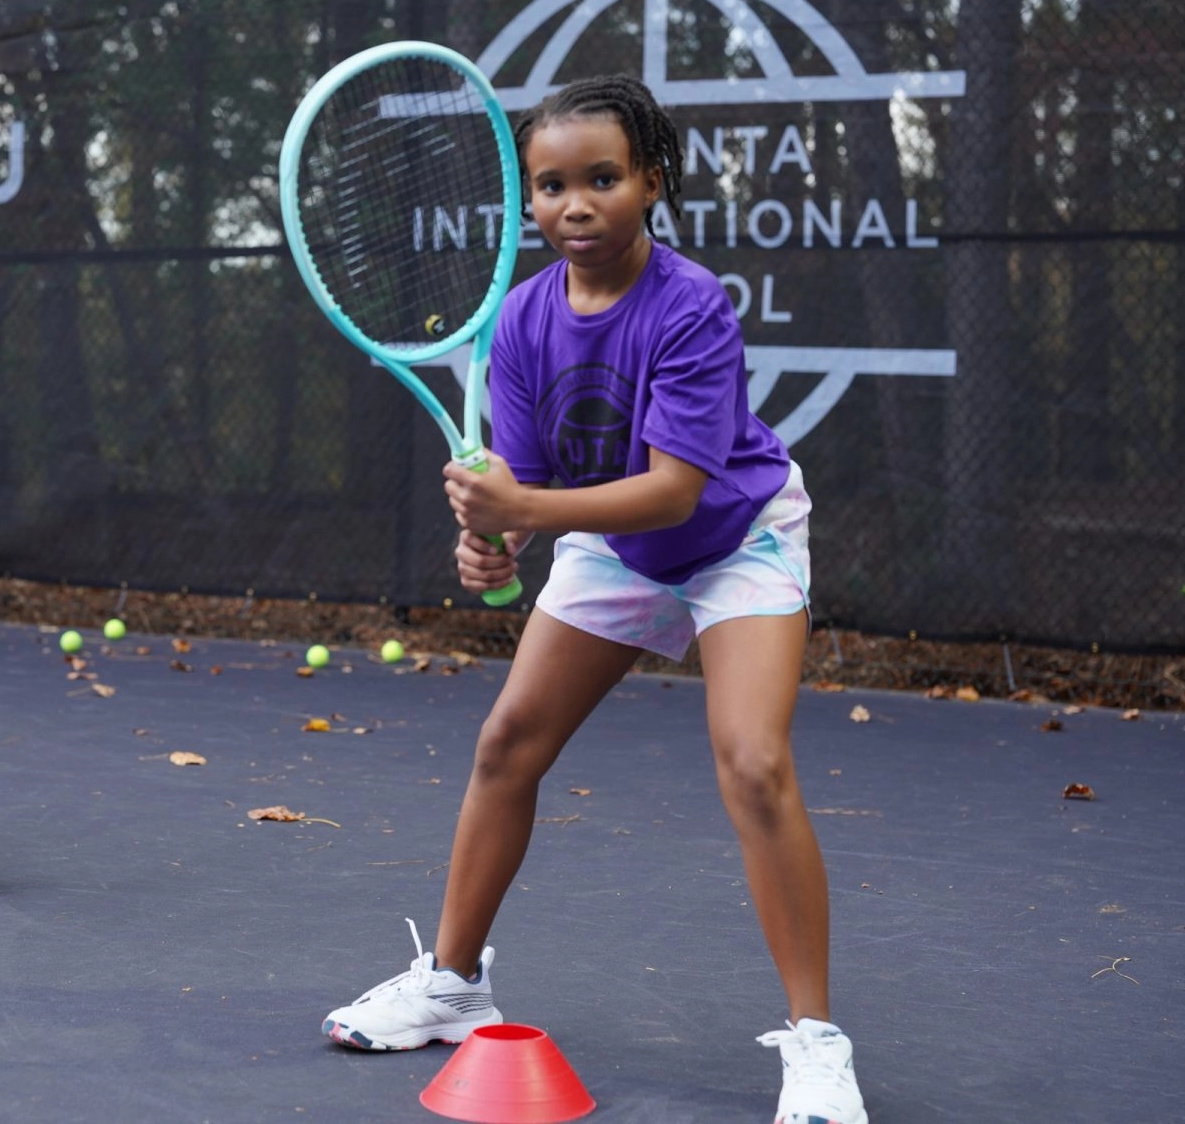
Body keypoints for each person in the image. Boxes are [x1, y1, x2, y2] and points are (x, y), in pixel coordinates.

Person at [320, 77, 865, 1123]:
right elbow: (525, 485)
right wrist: (494, 542)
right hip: (614, 547)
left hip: (732, 540)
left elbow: (674, 488)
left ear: (651, 182)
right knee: (507, 740)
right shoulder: (520, 320)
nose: (577, 203)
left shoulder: (693, 305)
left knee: (753, 761)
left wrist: (525, 505)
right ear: (529, 202)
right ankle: (453, 983)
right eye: (552, 184)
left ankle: (816, 1042)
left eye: (603, 179)